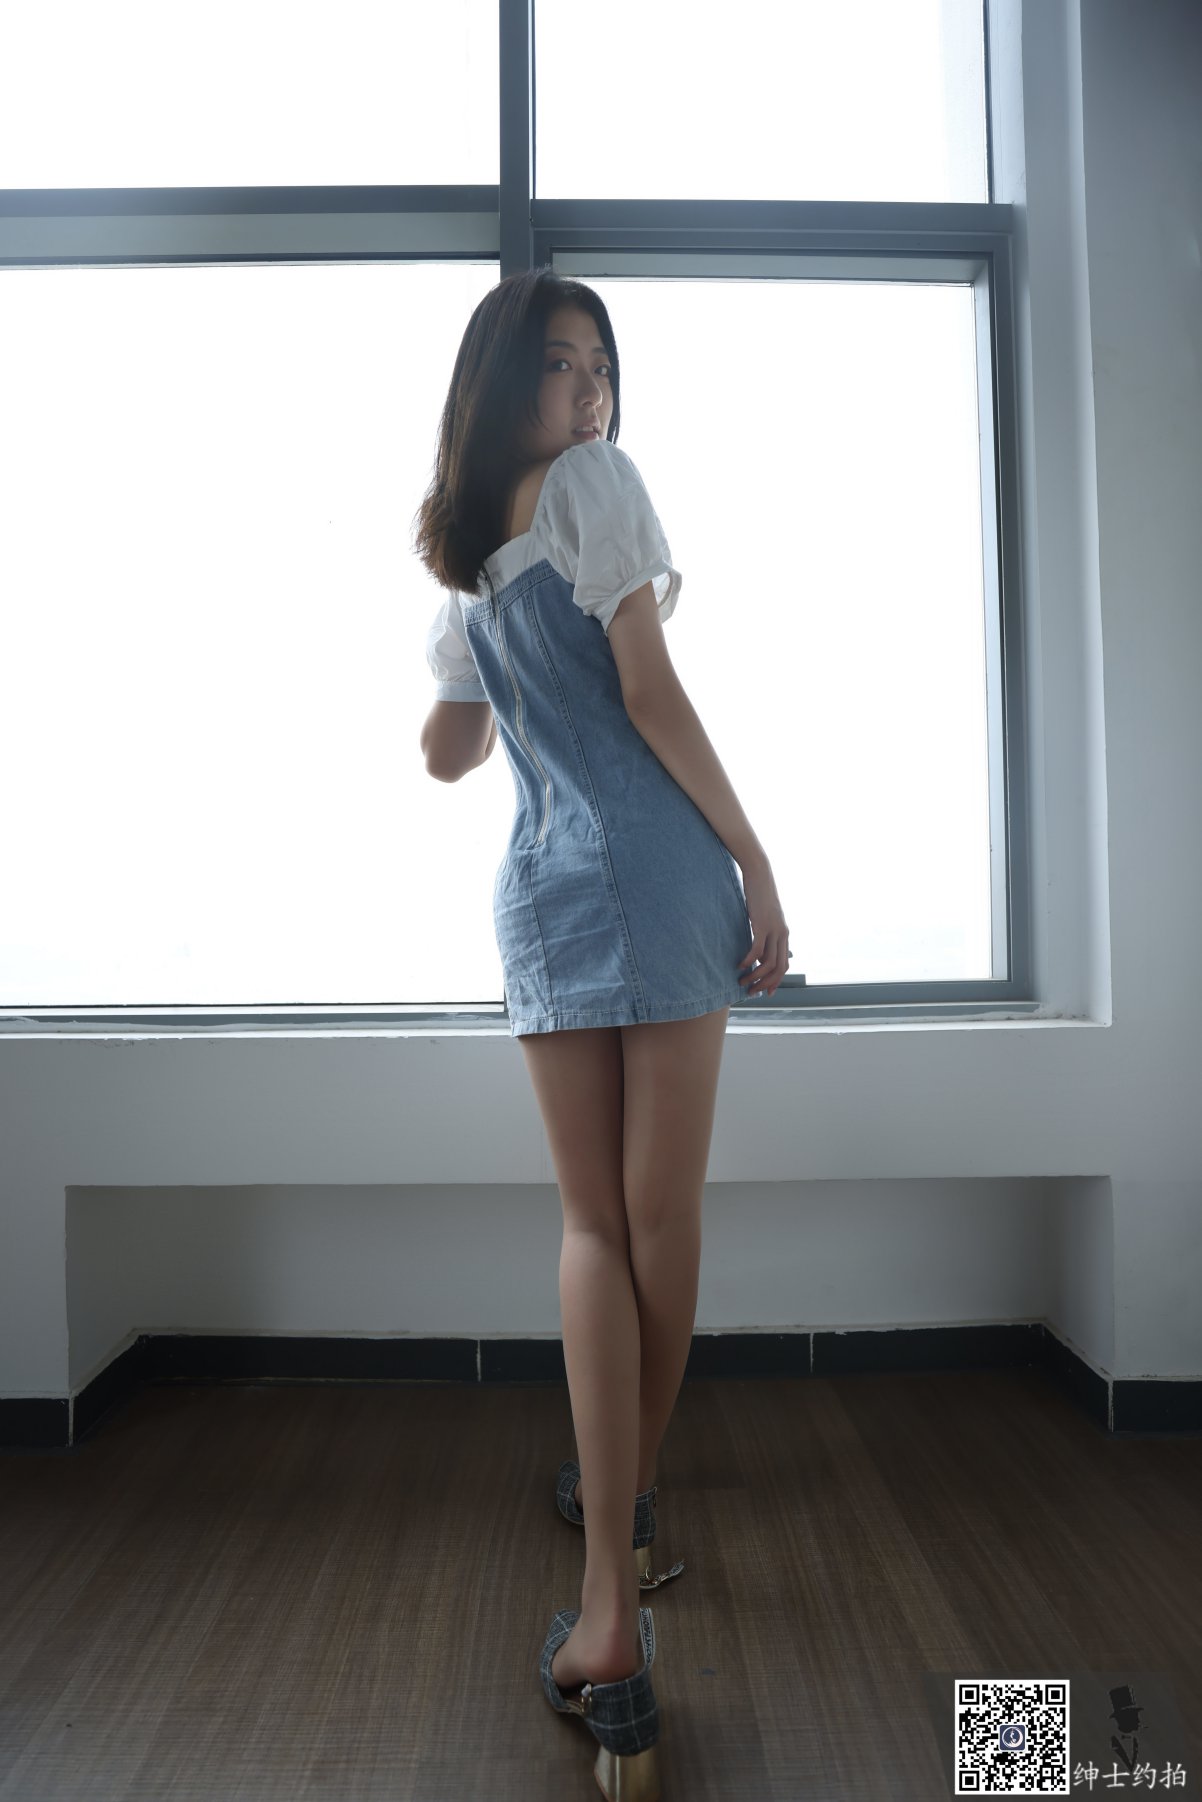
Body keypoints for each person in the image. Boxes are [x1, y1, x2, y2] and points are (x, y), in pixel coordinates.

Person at [412, 269, 789, 1798]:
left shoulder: (465, 562)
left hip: (544, 884)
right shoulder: (596, 487)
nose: (589, 393)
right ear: (503, 385)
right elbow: (650, 689)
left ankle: (606, 1602)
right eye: (560, 365)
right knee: (656, 1218)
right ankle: (620, 1537)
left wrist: (482, 662)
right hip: (652, 864)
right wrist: (756, 859)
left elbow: (446, 755)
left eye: (599, 367)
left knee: (592, 1225)